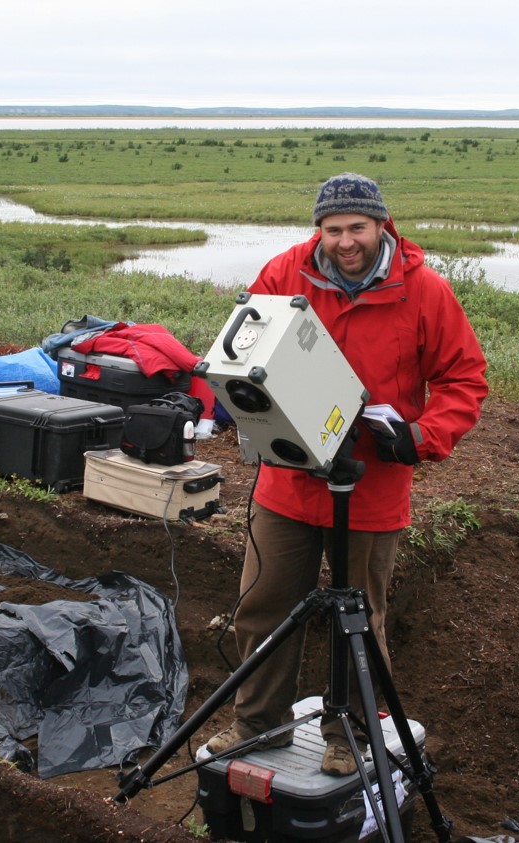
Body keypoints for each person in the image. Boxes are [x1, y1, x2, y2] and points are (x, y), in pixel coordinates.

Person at [206, 172, 488, 775]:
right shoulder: (285, 274)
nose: (345, 241)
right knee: (262, 605)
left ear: (381, 226)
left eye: (356, 228)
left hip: (372, 487)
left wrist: (423, 436)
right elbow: (245, 346)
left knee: (357, 617)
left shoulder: (426, 293)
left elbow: (464, 380)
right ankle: (258, 724)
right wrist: (223, 404)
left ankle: (350, 736)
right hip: (287, 482)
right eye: (332, 230)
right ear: (319, 231)